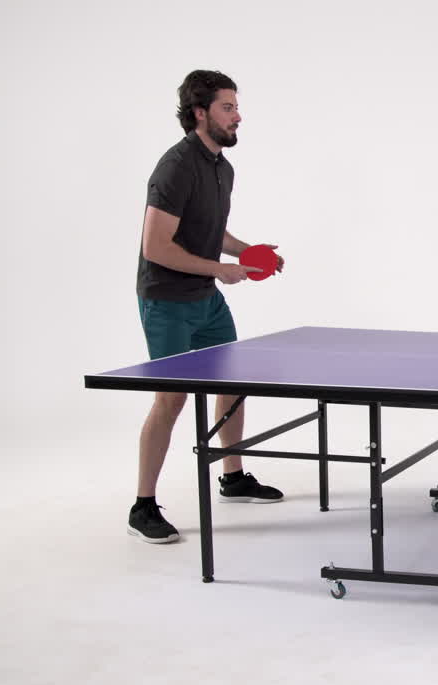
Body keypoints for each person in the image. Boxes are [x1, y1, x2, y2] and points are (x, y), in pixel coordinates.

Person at [128, 70, 286, 544]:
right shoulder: (175, 166)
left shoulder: (222, 167)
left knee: (233, 385)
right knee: (172, 400)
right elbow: (156, 246)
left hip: (205, 300)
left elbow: (209, 230)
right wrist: (219, 270)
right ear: (200, 112)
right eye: (227, 107)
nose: (238, 115)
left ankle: (233, 476)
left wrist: (246, 252)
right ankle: (143, 506)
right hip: (167, 301)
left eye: (236, 106)